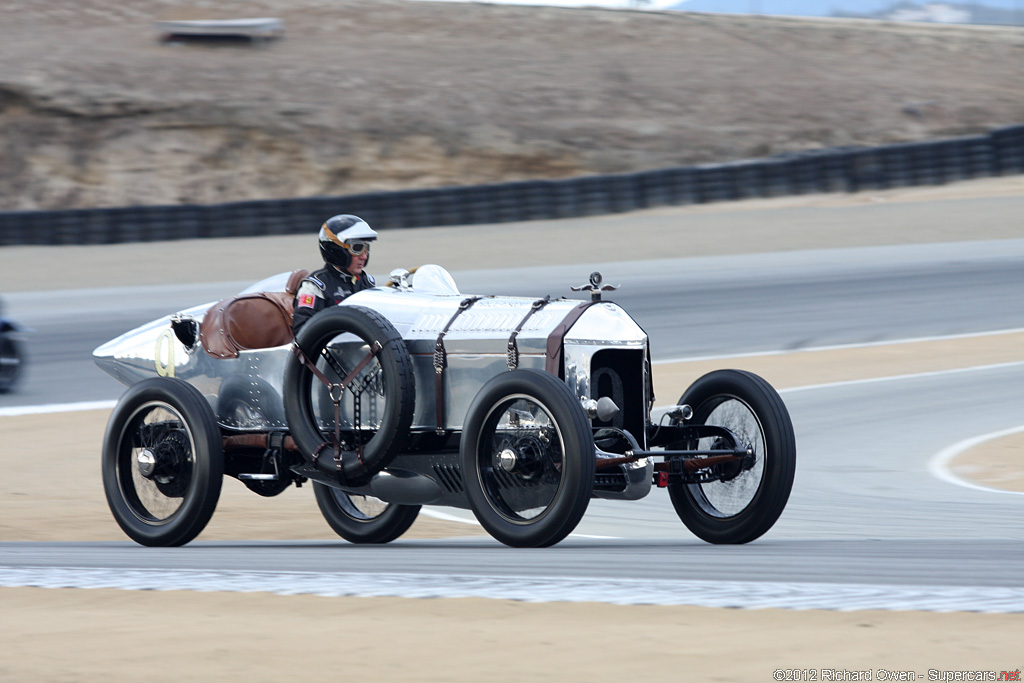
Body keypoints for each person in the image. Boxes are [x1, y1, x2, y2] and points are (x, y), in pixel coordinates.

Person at [292, 214, 377, 334]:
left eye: (366, 249)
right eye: (357, 248)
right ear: (336, 250)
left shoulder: (367, 282)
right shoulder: (315, 286)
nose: (363, 256)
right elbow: (302, 331)